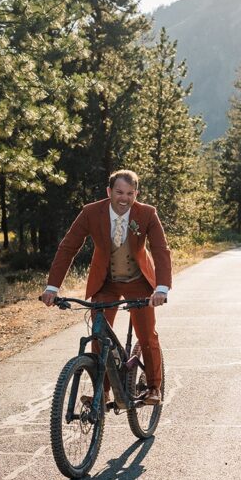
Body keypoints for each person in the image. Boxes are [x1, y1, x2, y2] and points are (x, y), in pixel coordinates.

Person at [40, 170, 171, 406]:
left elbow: (160, 250)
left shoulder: (147, 213)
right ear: (109, 192)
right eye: (119, 192)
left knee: (147, 334)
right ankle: (104, 392)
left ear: (136, 194)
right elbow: (68, 247)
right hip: (105, 280)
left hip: (138, 280)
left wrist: (161, 287)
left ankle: (153, 387)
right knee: (99, 334)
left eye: (130, 193)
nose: (124, 198)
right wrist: (52, 287)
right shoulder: (91, 213)